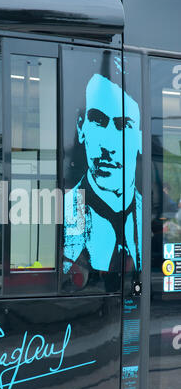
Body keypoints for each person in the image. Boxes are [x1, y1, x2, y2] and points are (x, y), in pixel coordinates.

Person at [63, 71, 142, 275]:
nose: (108, 145)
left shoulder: (148, 217)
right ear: (81, 129)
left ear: (140, 139)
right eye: (98, 121)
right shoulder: (59, 213)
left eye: (124, 125)